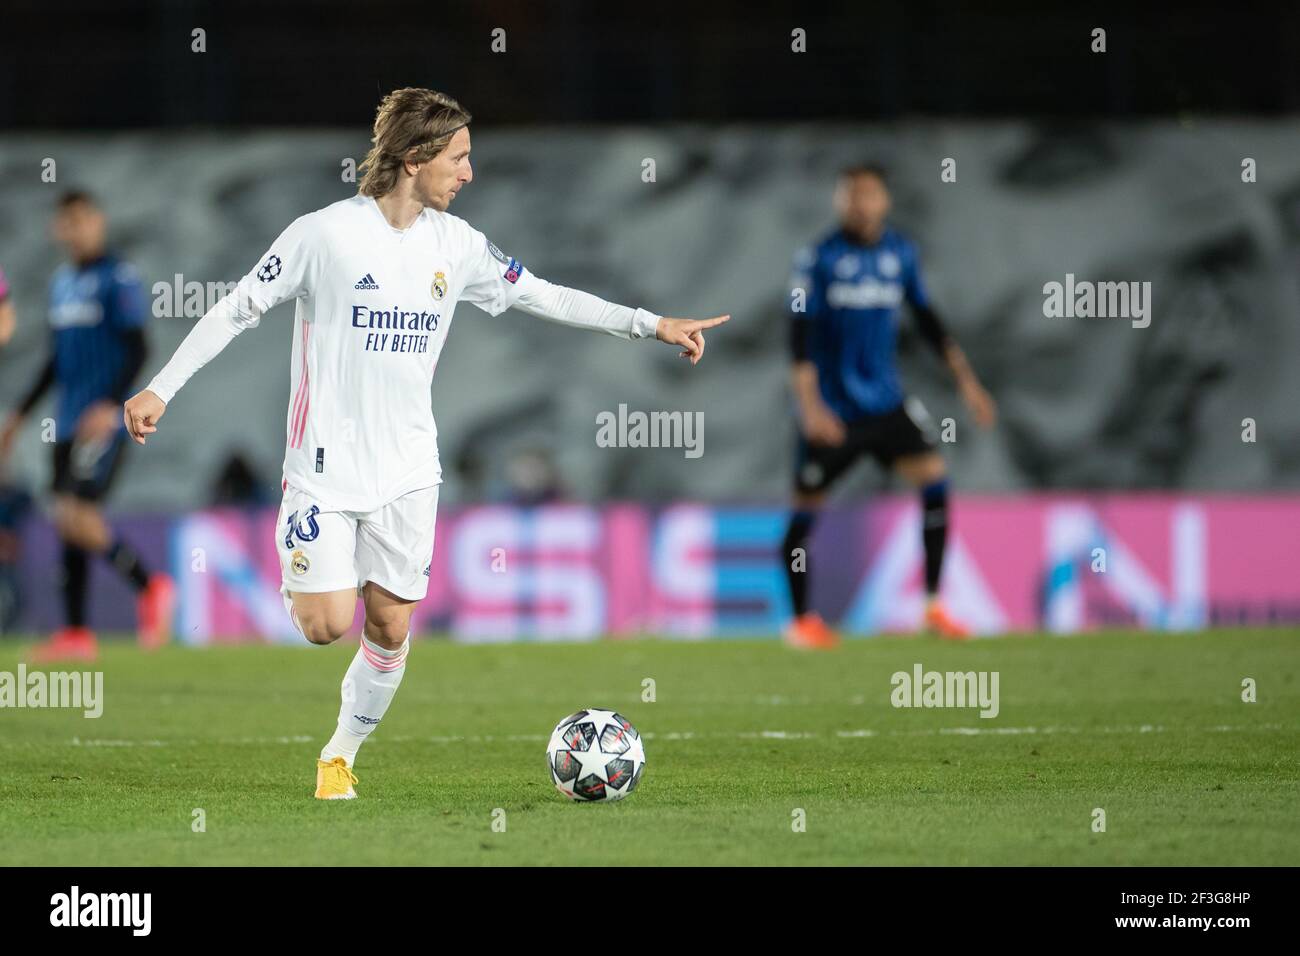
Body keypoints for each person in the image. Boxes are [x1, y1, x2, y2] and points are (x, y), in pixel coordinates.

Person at [124, 88, 729, 800]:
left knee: (388, 626)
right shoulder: (323, 235)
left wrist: (649, 323)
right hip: (323, 466)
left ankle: (338, 758)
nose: (469, 173)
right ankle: (305, 566)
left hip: (410, 470)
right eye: (459, 157)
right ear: (414, 158)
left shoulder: (459, 245)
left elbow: (545, 294)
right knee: (325, 625)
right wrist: (162, 386)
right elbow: (235, 309)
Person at [782, 164, 996, 648]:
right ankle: (800, 622)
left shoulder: (900, 253)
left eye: (869, 195)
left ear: (884, 202)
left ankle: (933, 606)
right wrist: (811, 408)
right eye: (851, 195)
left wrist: (968, 383)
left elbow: (927, 320)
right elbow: (798, 336)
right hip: (833, 411)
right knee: (805, 508)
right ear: (840, 202)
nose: (860, 204)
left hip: (886, 404)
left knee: (935, 480)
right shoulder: (816, 258)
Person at [0, 192, 174, 661]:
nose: (75, 230)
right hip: (67, 422)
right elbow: (54, 361)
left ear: (97, 222)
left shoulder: (117, 277)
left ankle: (150, 584)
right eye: (67, 223)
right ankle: (77, 634)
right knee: (65, 522)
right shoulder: (61, 284)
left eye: (82, 221)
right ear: (59, 229)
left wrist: (111, 404)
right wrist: (19, 414)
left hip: (102, 423)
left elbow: (139, 348)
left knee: (77, 514)